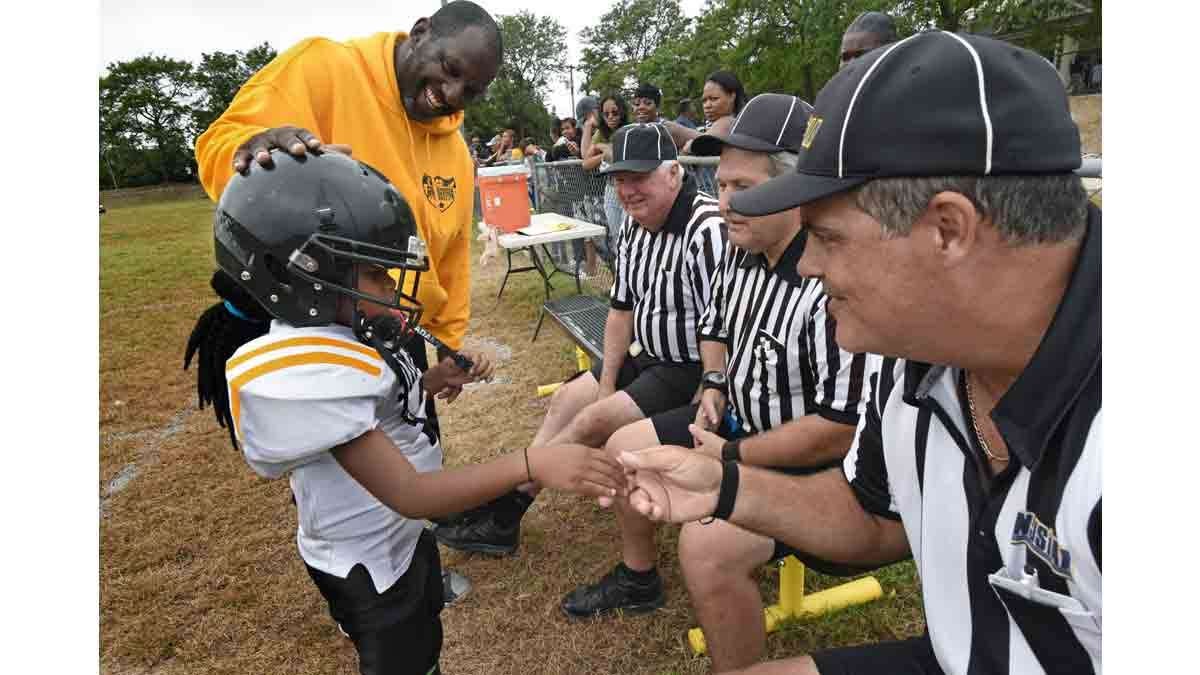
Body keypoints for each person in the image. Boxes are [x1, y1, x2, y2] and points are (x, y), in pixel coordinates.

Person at [619, 31, 1101, 675]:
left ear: (947, 229)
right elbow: (872, 514)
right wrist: (725, 484)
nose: (809, 265)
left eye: (828, 237)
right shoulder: (910, 350)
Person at [184, 151, 626, 675]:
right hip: (364, 559)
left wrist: (435, 381)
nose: (392, 289)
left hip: (398, 536)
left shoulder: (346, 330)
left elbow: (381, 409)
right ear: (301, 277)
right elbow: (413, 495)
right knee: (405, 658)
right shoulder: (310, 365)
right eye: (375, 275)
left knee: (425, 632)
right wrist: (533, 464)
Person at [561, 94, 875, 633]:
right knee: (620, 448)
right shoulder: (741, 246)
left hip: (801, 465)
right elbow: (714, 326)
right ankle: (640, 578)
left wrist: (732, 453)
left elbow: (841, 428)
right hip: (731, 426)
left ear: (798, 190)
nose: (724, 202)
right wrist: (712, 382)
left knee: (704, 545)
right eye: (722, 184)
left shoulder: (829, 281)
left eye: (743, 189)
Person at [194, 0, 501, 449]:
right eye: (450, 68)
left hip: (396, 326)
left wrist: (447, 340)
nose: (452, 94)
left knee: (416, 446)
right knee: (350, 484)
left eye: (470, 90)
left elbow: (450, 255)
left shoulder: (455, 153)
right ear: (419, 33)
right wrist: (256, 152)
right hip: (321, 322)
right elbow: (223, 144)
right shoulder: (324, 66)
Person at [436, 123, 729, 556]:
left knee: (592, 422)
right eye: (620, 179)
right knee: (568, 400)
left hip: (689, 370)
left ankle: (503, 505)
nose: (627, 190)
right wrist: (607, 382)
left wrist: (709, 383)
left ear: (673, 172)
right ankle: (506, 506)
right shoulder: (635, 226)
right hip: (645, 354)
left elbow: (723, 326)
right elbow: (620, 309)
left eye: (639, 177)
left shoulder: (707, 229)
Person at [582, 94, 632, 252]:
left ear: (622, 112)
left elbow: (620, 157)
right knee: (617, 236)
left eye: (615, 112)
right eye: (606, 114)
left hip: (630, 187)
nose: (610, 117)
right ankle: (622, 273)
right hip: (611, 189)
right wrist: (604, 151)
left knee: (629, 234)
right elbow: (586, 163)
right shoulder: (601, 134)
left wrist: (603, 149)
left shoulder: (630, 130)